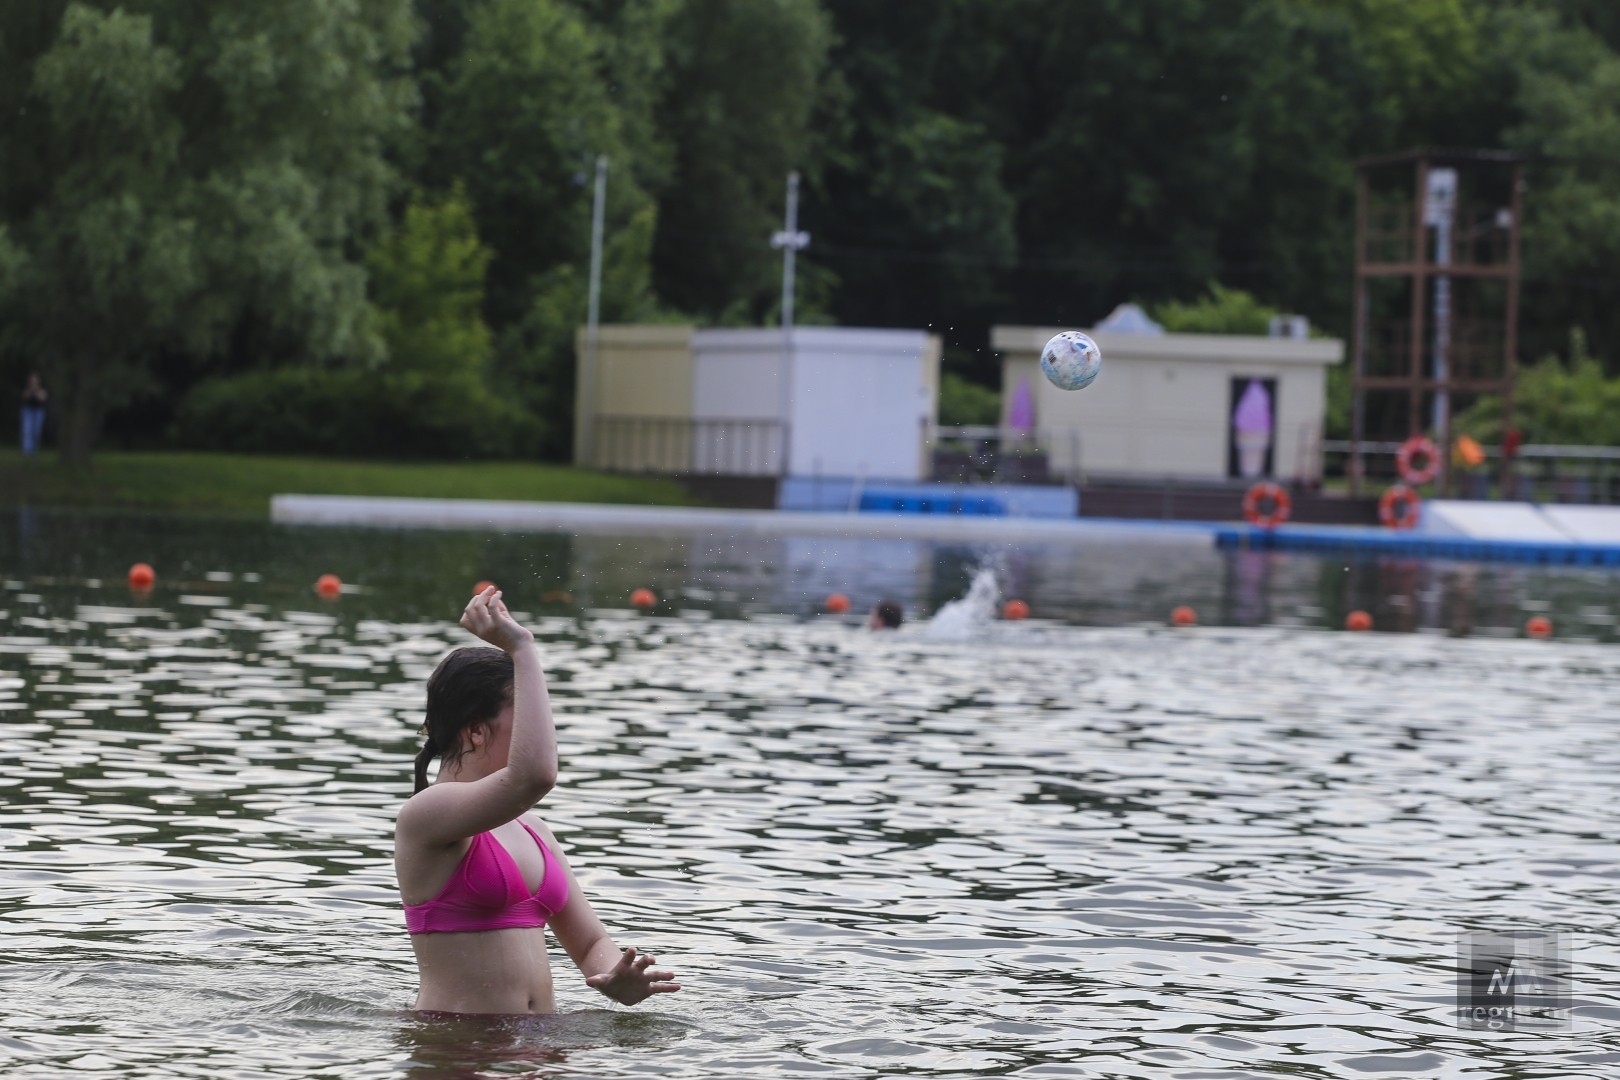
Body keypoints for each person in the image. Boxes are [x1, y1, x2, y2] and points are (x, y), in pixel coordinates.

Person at [394, 586, 681, 1014]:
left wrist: (615, 979)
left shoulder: (531, 828)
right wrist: (522, 647)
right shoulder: (426, 816)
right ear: (475, 730)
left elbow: (589, 943)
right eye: (527, 714)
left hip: (539, 1049)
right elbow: (536, 775)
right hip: (454, 1046)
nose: (541, 729)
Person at [19, 373, 47, 455]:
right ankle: (27, 450)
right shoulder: (27, 389)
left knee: (36, 431)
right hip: (28, 411)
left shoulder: (41, 389)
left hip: (38, 411)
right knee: (27, 430)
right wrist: (32, 392)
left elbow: (43, 398)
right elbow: (24, 396)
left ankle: (34, 449)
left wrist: (35, 392)